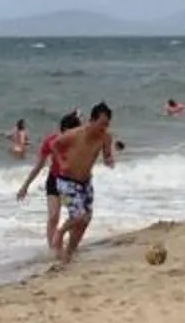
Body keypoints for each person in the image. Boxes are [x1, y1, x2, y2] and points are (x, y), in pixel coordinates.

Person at [45, 103, 118, 266]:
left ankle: (68, 255)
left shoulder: (106, 137)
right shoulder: (75, 134)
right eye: (102, 123)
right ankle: (60, 231)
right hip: (66, 181)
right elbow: (54, 145)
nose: (104, 127)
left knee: (85, 220)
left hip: (85, 182)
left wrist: (109, 160)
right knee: (78, 216)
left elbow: (106, 155)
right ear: (92, 120)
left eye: (107, 124)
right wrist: (62, 161)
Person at [18, 110, 82, 254]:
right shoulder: (51, 141)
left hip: (72, 181)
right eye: (74, 131)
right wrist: (25, 186)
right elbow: (39, 165)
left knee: (76, 217)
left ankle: (72, 247)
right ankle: (53, 250)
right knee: (53, 216)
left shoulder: (80, 142)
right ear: (64, 130)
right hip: (54, 180)